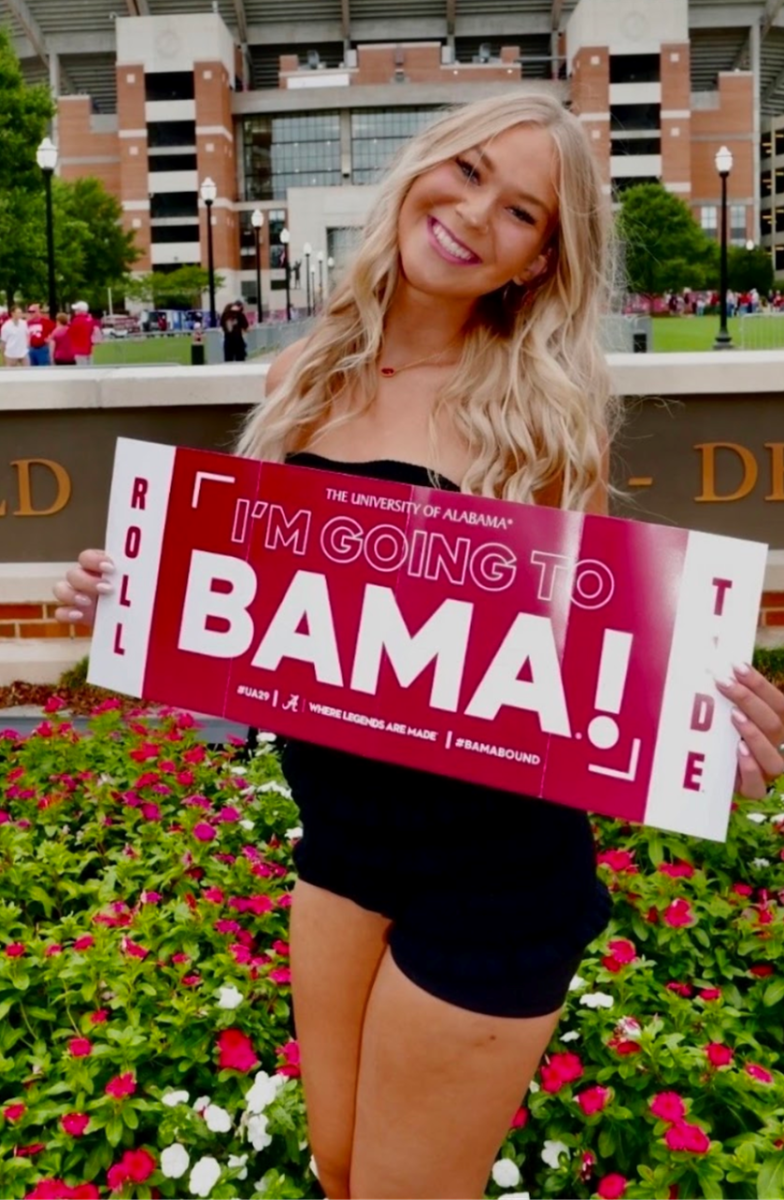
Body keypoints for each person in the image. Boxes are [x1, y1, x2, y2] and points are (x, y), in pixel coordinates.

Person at [52, 93, 784, 1200]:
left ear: (538, 260)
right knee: (342, 1170)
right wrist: (137, 596)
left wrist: (693, 724)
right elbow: (275, 619)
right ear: (422, 167)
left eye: (521, 209)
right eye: (469, 170)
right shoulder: (297, 378)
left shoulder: (538, 413)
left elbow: (570, 659)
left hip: (493, 877)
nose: (474, 212)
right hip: (340, 853)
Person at [69, 301, 97, 366]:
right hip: (89, 349)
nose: (75, 311)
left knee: (82, 369)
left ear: (80, 310)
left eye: (76, 310)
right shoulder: (91, 320)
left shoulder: (76, 320)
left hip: (79, 350)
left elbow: (71, 333)